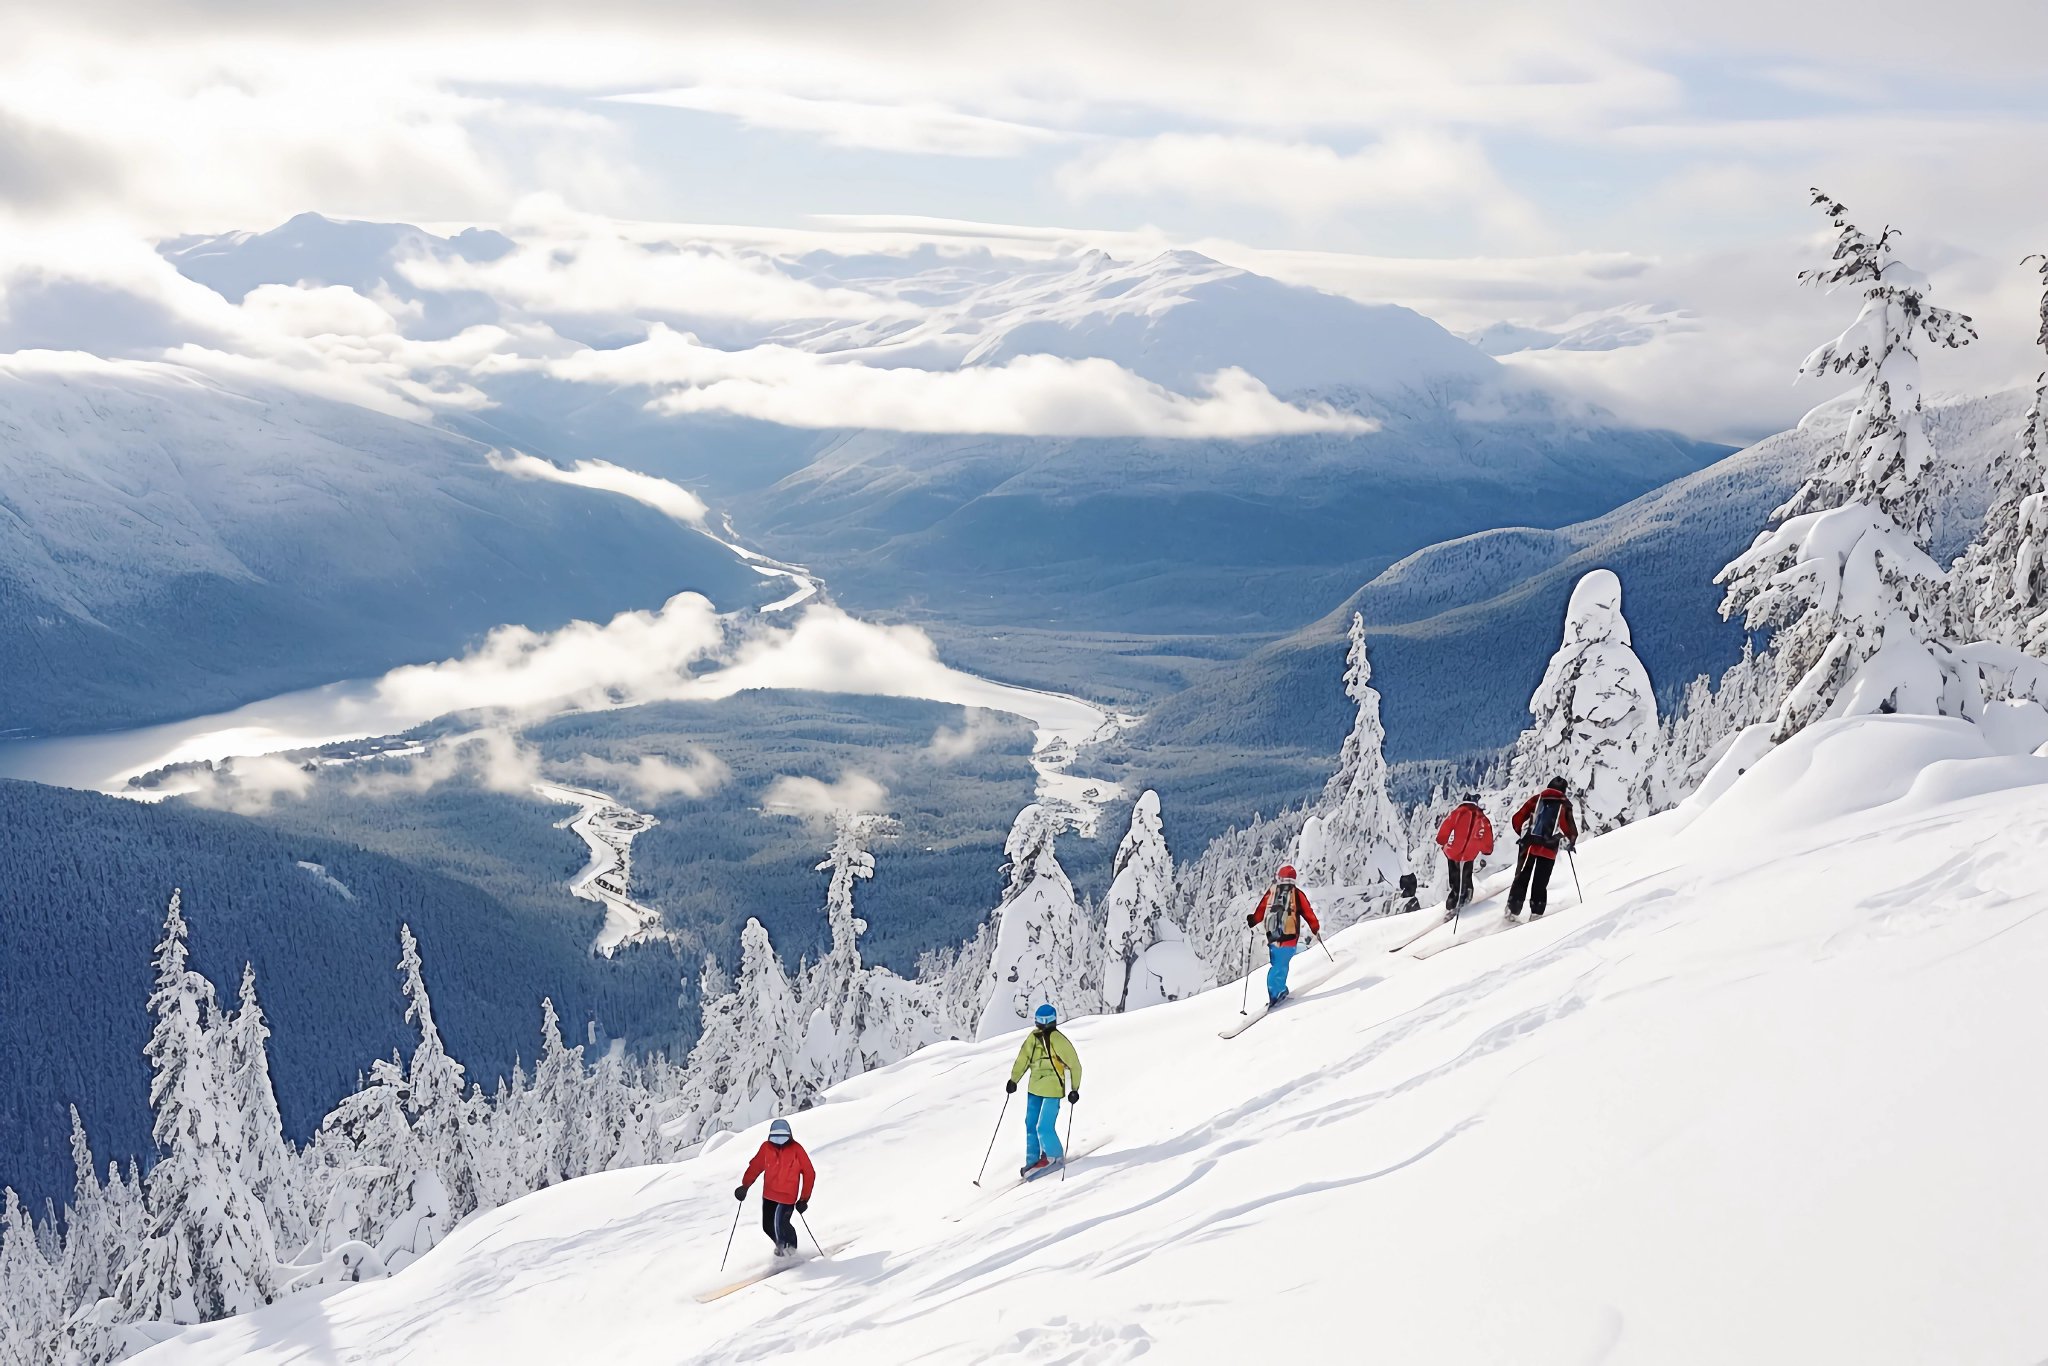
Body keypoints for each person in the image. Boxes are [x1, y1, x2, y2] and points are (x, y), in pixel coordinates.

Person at [1005, 1003, 1083, 1178]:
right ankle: (1033, 1160)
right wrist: (1014, 1079)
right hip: (1035, 1088)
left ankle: (1054, 1156)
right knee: (1030, 1123)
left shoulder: (1057, 1040)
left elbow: (1074, 1065)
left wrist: (1074, 1089)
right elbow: (1023, 1059)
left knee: (1043, 1126)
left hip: (1052, 1089)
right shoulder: (1033, 1038)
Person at [734, 1117, 815, 1257]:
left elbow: (809, 1173)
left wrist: (804, 1199)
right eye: (775, 1137)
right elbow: (756, 1166)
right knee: (767, 1226)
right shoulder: (766, 1147)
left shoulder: (797, 1149)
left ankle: (789, 1251)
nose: (779, 1141)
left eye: (782, 1137)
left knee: (780, 1223)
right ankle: (783, 1247)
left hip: (787, 1197)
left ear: (789, 1136)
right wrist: (745, 1186)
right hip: (769, 1195)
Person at [1245, 864, 1321, 1007]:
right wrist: (1315, 928)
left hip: (1273, 938)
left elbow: (1261, 910)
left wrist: (1253, 920)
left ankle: (1277, 992)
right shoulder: (1297, 894)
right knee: (1281, 965)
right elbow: (1308, 912)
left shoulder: (1272, 892)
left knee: (1278, 964)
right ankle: (1277, 993)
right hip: (1290, 939)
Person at [1507, 776, 1578, 920]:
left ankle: (1512, 911)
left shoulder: (1537, 799)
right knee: (1540, 882)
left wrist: (1523, 834)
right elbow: (1570, 831)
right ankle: (1536, 913)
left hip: (1530, 846)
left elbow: (1517, 819)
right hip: (1549, 849)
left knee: (1522, 878)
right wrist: (1570, 842)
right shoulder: (1565, 805)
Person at [1434, 793, 1494, 911]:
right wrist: (1486, 849)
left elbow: (1446, 827)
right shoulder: (1482, 818)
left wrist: (1442, 840)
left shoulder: (1458, 813)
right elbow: (1487, 837)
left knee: (1454, 875)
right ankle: (1466, 895)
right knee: (1466, 874)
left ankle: (1454, 899)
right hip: (1470, 853)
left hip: (1453, 851)